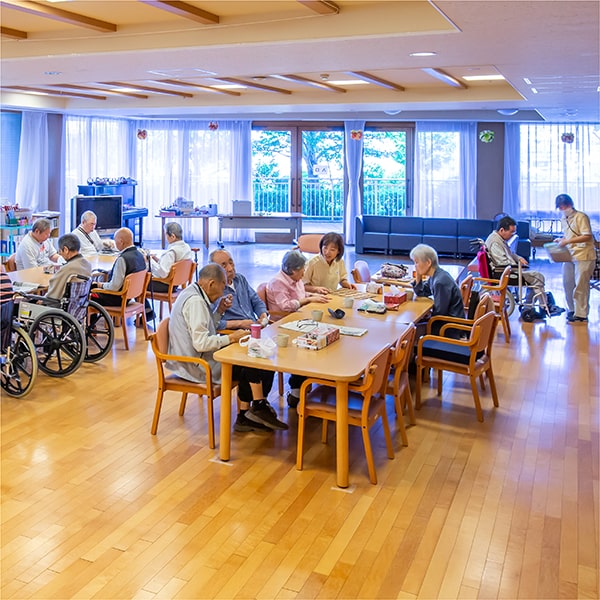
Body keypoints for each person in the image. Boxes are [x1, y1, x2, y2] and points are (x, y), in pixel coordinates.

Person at [167, 263, 287, 432]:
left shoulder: (194, 292)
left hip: (198, 357)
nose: (223, 292)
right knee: (250, 361)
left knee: (254, 358)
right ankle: (255, 409)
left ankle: (249, 413)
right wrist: (231, 338)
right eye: (223, 286)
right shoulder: (196, 302)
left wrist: (220, 311)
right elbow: (201, 343)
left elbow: (209, 326)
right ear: (211, 284)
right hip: (196, 365)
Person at [267, 250, 329, 408]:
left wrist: (314, 291)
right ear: (293, 270)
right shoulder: (278, 282)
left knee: (326, 335)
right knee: (309, 347)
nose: (304, 272)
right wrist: (308, 299)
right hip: (283, 326)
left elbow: (299, 293)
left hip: (299, 320)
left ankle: (309, 383)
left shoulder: (295, 278)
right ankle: (296, 388)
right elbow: (286, 306)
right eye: (302, 269)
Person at [485, 215, 554, 308]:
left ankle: (529, 306)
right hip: (506, 274)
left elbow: (509, 253)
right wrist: (518, 267)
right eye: (511, 232)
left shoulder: (499, 238)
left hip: (509, 271)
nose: (513, 234)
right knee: (538, 277)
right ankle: (543, 306)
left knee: (534, 277)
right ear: (502, 230)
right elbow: (503, 263)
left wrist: (519, 258)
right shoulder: (495, 242)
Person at [91, 227, 153, 318]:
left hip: (116, 298)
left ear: (121, 241)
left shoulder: (122, 259)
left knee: (87, 295)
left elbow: (114, 287)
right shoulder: (140, 255)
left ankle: (90, 327)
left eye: (115, 241)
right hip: (129, 296)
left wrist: (100, 285)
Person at [555, 193, 596, 323]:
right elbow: (568, 235)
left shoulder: (581, 217)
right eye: (561, 207)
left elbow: (587, 236)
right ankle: (572, 309)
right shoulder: (564, 219)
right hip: (569, 254)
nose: (563, 209)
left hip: (584, 254)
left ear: (570, 205)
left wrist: (567, 241)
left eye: (565, 206)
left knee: (581, 285)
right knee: (567, 283)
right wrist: (562, 240)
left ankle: (581, 314)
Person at [410, 244, 464, 335]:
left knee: (412, 332)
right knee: (415, 327)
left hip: (449, 327)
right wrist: (418, 276)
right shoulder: (436, 275)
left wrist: (426, 316)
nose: (415, 266)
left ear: (428, 262)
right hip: (447, 322)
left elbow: (439, 314)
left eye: (416, 262)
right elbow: (422, 292)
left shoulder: (440, 282)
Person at [209, 249, 268, 330]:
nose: (230, 268)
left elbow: (256, 301)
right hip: (236, 334)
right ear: (214, 270)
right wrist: (239, 324)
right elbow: (211, 323)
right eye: (224, 266)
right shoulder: (213, 289)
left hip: (255, 329)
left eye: (231, 262)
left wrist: (263, 316)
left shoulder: (240, 279)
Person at [148, 222, 193, 292]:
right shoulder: (187, 247)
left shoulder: (171, 252)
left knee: (139, 283)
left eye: (166, 234)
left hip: (165, 285)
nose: (165, 237)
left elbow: (163, 273)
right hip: (176, 282)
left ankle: (143, 303)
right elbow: (170, 264)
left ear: (173, 236)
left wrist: (149, 260)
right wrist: (156, 259)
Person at [46, 234, 92, 300]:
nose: (60, 254)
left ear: (66, 249)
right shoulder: (88, 265)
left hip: (56, 307)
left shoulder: (67, 269)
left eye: (60, 251)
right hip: (78, 306)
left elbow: (52, 295)